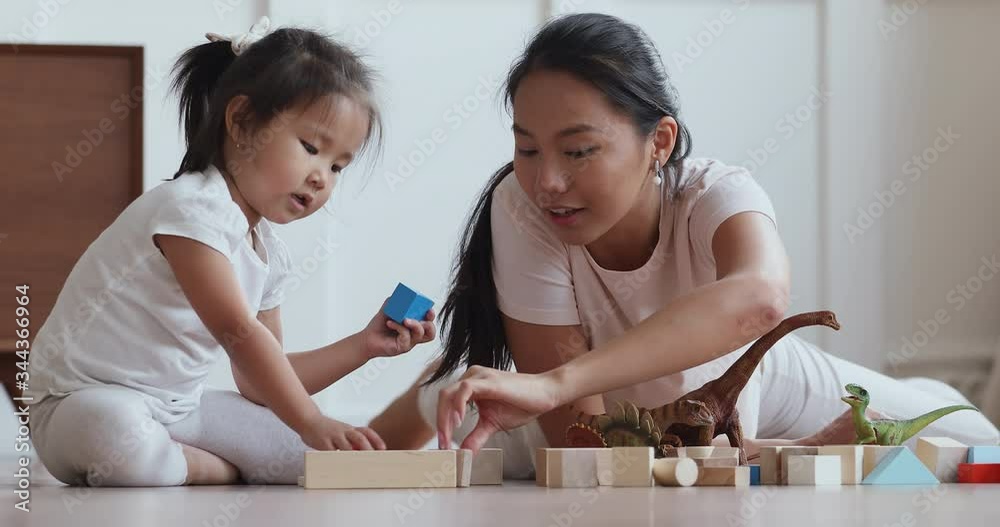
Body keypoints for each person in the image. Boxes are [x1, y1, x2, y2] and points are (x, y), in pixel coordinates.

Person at [369, 13, 998, 477]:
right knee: (469, 412)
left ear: (659, 143)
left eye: (579, 150)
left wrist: (799, 453)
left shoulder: (714, 195)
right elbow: (583, 448)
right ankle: (409, 398)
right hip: (603, 408)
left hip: (752, 379)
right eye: (527, 148)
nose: (547, 181)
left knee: (967, 439)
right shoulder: (523, 205)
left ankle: (932, 394)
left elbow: (760, 300)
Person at [26, 17, 436, 487]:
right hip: (78, 406)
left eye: (338, 165)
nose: (322, 176)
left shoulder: (268, 254)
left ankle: (178, 461)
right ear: (241, 122)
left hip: (176, 411)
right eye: (310, 147)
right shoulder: (189, 210)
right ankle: (212, 469)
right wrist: (310, 420)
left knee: (303, 456)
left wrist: (363, 346)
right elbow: (237, 331)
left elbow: (260, 380)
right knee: (118, 434)